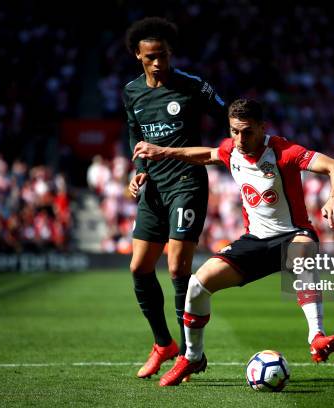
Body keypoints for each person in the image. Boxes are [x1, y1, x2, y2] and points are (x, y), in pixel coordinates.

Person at [133, 98, 334, 386]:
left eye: (247, 132)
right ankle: (193, 357)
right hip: (255, 241)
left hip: (293, 233)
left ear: (262, 127)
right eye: (234, 131)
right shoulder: (231, 149)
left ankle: (316, 336)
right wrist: (163, 152)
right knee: (197, 285)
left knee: (303, 249)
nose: (239, 139)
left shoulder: (284, 152)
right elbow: (207, 155)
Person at [122, 17, 227, 379]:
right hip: (154, 188)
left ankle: (189, 353)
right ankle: (163, 344)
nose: (157, 63)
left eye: (163, 55)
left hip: (187, 182)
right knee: (139, 268)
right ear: (138, 55)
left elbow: (231, 117)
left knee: (177, 268)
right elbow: (135, 138)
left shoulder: (192, 86)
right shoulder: (132, 92)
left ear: (170, 54)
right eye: (150, 56)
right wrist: (138, 171)